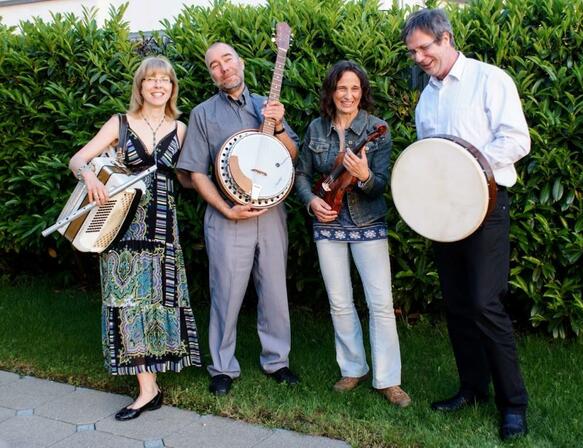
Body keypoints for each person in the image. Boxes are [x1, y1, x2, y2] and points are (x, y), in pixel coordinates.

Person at [401, 8, 530, 440]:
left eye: (424, 48)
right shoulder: (427, 99)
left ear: (446, 38)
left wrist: (469, 167)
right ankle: (472, 388)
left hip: (486, 208)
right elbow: (427, 159)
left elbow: (517, 139)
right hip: (444, 215)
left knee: (484, 303)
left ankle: (513, 405)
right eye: (413, 51)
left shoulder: (489, 80)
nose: (419, 57)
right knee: (457, 305)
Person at [68, 56, 202, 421]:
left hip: (162, 230)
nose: (158, 86)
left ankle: (151, 387)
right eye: (151, 80)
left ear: (172, 88)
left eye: (165, 81)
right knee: (127, 303)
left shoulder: (181, 129)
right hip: (120, 226)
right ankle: (147, 389)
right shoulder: (120, 123)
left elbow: (189, 178)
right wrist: (90, 178)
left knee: (158, 303)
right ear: (140, 87)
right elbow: (78, 159)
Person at [176, 42, 300, 396]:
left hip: (271, 213)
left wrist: (277, 126)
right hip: (227, 215)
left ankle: (277, 361)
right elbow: (196, 173)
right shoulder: (203, 114)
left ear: (241, 62)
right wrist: (225, 208)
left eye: (227, 59)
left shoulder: (268, 106)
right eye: (214, 64)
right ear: (211, 74)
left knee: (275, 290)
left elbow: (291, 155)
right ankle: (221, 367)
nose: (223, 68)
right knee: (226, 292)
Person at [295, 60, 411, 407]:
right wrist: (311, 201)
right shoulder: (316, 128)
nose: (348, 95)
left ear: (363, 92)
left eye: (355, 89)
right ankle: (353, 368)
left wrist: (363, 176)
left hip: (368, 225)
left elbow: (380, 187)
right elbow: (301, 174)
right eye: (342, 88)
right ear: (332, 92)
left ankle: (388, 379)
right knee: (340, 302)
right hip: (327, 225)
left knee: (380, 304)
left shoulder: (378, 130)